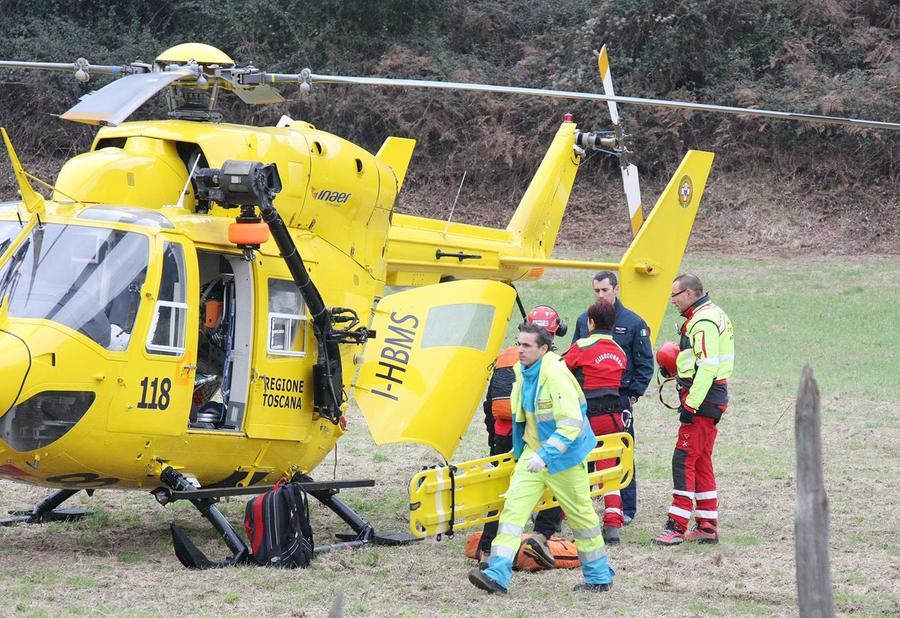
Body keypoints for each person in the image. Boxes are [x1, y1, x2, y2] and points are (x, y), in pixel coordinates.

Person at [468, 322, 614, 594]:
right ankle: (497, 575)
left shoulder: (556, 376)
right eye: (518, 343)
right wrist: (524, 453)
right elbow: (523, 418)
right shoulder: (522, 372)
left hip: (564, 459)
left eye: (526, 346)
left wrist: (545, 455)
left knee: (582, 518)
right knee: (513, 513)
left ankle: (599, 576)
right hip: (533, 455)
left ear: (543, 349)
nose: (519, 350)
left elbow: (571, 424)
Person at [477, 306, 564, 569]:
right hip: (536, 438)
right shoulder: (554, 366)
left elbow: (490, 404)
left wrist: (493, 438)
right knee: (553, 487)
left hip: (504, 436)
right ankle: (542, 537)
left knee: (501, 493)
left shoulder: (504, 358)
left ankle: (487, 549)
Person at [653, 273, 734, 546]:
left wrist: (690, 404)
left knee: (683, 458)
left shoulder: (702, 321)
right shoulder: (714, 314)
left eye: (674, 295)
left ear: (689, 294)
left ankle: (676, 526)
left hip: (703, 399)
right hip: (712, 397)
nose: (672, 301)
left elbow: (708, 366)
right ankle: (707, 525)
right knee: (700, 459)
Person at [572, 271, 653, 524]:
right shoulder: (584, 319)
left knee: (621, 453)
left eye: (604, 290)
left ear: (616, 289)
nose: (600, 295)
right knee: (583, 452)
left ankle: (626, 510)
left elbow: (645, 364)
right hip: (587, 399)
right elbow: (574, 357)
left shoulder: (634, 323)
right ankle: (584, 507)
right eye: (596, 291)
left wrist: (632, 395)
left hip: (619, 399)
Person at [563, 300, 627, 545]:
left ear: (590, 322)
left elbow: (562, 370)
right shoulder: (619, 351)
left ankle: (556, 516)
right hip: (613, 417)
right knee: (609, 469)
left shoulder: (581, 345)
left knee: (570, 465)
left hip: (586, 415)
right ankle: (613, 524)